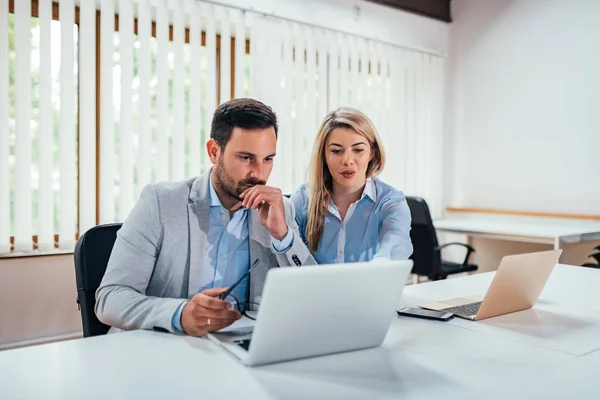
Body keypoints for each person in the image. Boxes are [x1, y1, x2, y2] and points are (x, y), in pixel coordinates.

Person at [96, 98, 315, 337]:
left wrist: (283, 236)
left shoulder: (279, 208)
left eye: (268, 159)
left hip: (237, 348)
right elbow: (110, 298)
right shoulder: (160, 202)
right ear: (214, 151)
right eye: (245, 157)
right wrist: (180, 315)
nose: (259, 173)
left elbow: (311, 294)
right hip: (163, 346)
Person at [291, 107, 412, 264]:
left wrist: (380, 267)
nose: (347, 160)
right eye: (336, 151)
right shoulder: (302, 198)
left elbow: (396, 243)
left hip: (369, 286)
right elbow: (288, 259)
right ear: (324, 155)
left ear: (372, 153)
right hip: (316, 288)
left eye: (358, 150)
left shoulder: (391, 201)